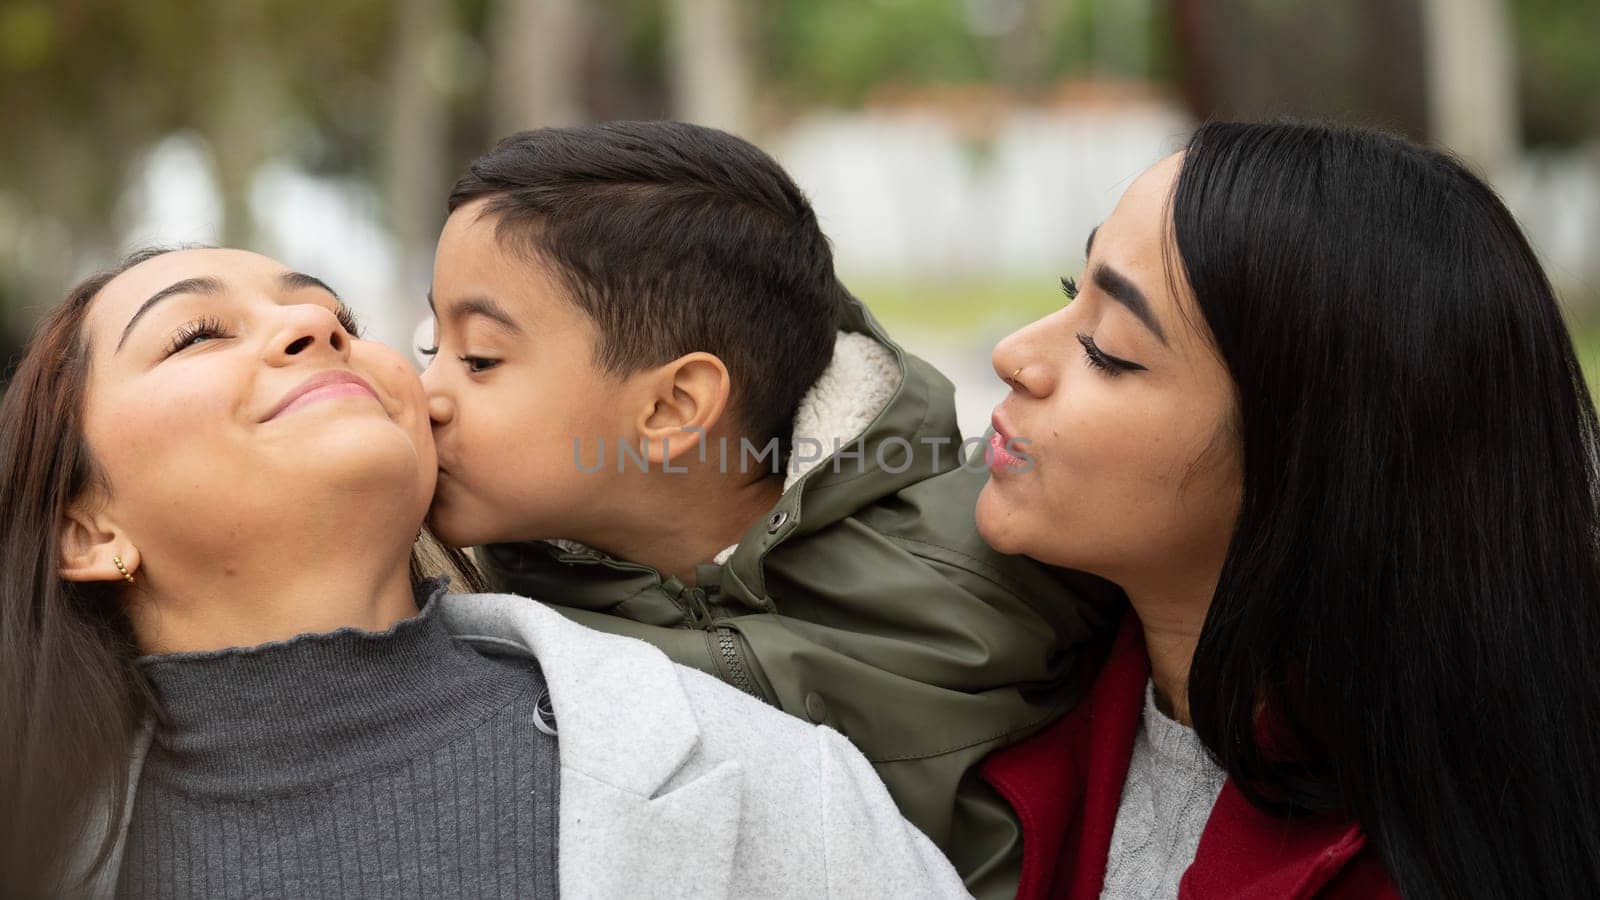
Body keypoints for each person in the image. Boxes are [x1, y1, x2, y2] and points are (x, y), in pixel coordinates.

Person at [0, 246, 970, 899]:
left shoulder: (765, 776)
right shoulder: (37, 853)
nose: (317, 331)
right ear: (86, 531)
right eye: (197, 334)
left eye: (333, 316)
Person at [419, 121, 1115, 897]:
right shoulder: (498, 632)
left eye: (478, 359)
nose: (428, 396)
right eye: (429, 347)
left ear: (675, 406)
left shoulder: (997, 542)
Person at [975, 120, 1600, 899]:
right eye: (1074, 294)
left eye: (1108, 348)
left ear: (1307, 465)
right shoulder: (981, 690)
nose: (1013, 355)